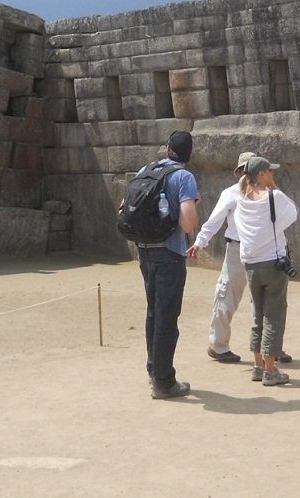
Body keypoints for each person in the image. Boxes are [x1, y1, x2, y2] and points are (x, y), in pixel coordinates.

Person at [188, 152, 292, 364]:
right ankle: (218, 345)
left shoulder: (271, 194)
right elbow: (214, 220)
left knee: (269, 303)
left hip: (266, 252)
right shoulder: (232, 193)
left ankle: (271, 349)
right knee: (227, 295)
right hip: (238, 250)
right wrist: (200, 242)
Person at [131, 130, 199, 400]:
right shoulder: (184, 177)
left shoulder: (145, 171)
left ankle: (153, 370)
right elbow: (188, 224)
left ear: (167, 149)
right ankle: (164, 381)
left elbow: (125, 208)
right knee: (167, 317)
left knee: (153, 312)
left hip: (144, 251)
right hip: (169, 253)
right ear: (189, 154)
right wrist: (192, 205)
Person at [233, 156, 298, 387]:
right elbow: (294, 212)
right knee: (274, 317)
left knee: (258, 315)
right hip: (273, 264)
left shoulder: (241, 201)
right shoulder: (275, 197)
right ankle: (270, 371)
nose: (273, 174)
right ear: (261, 174)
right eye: (270, 172)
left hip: (251, 266)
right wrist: (275, 188)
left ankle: (258, 366)